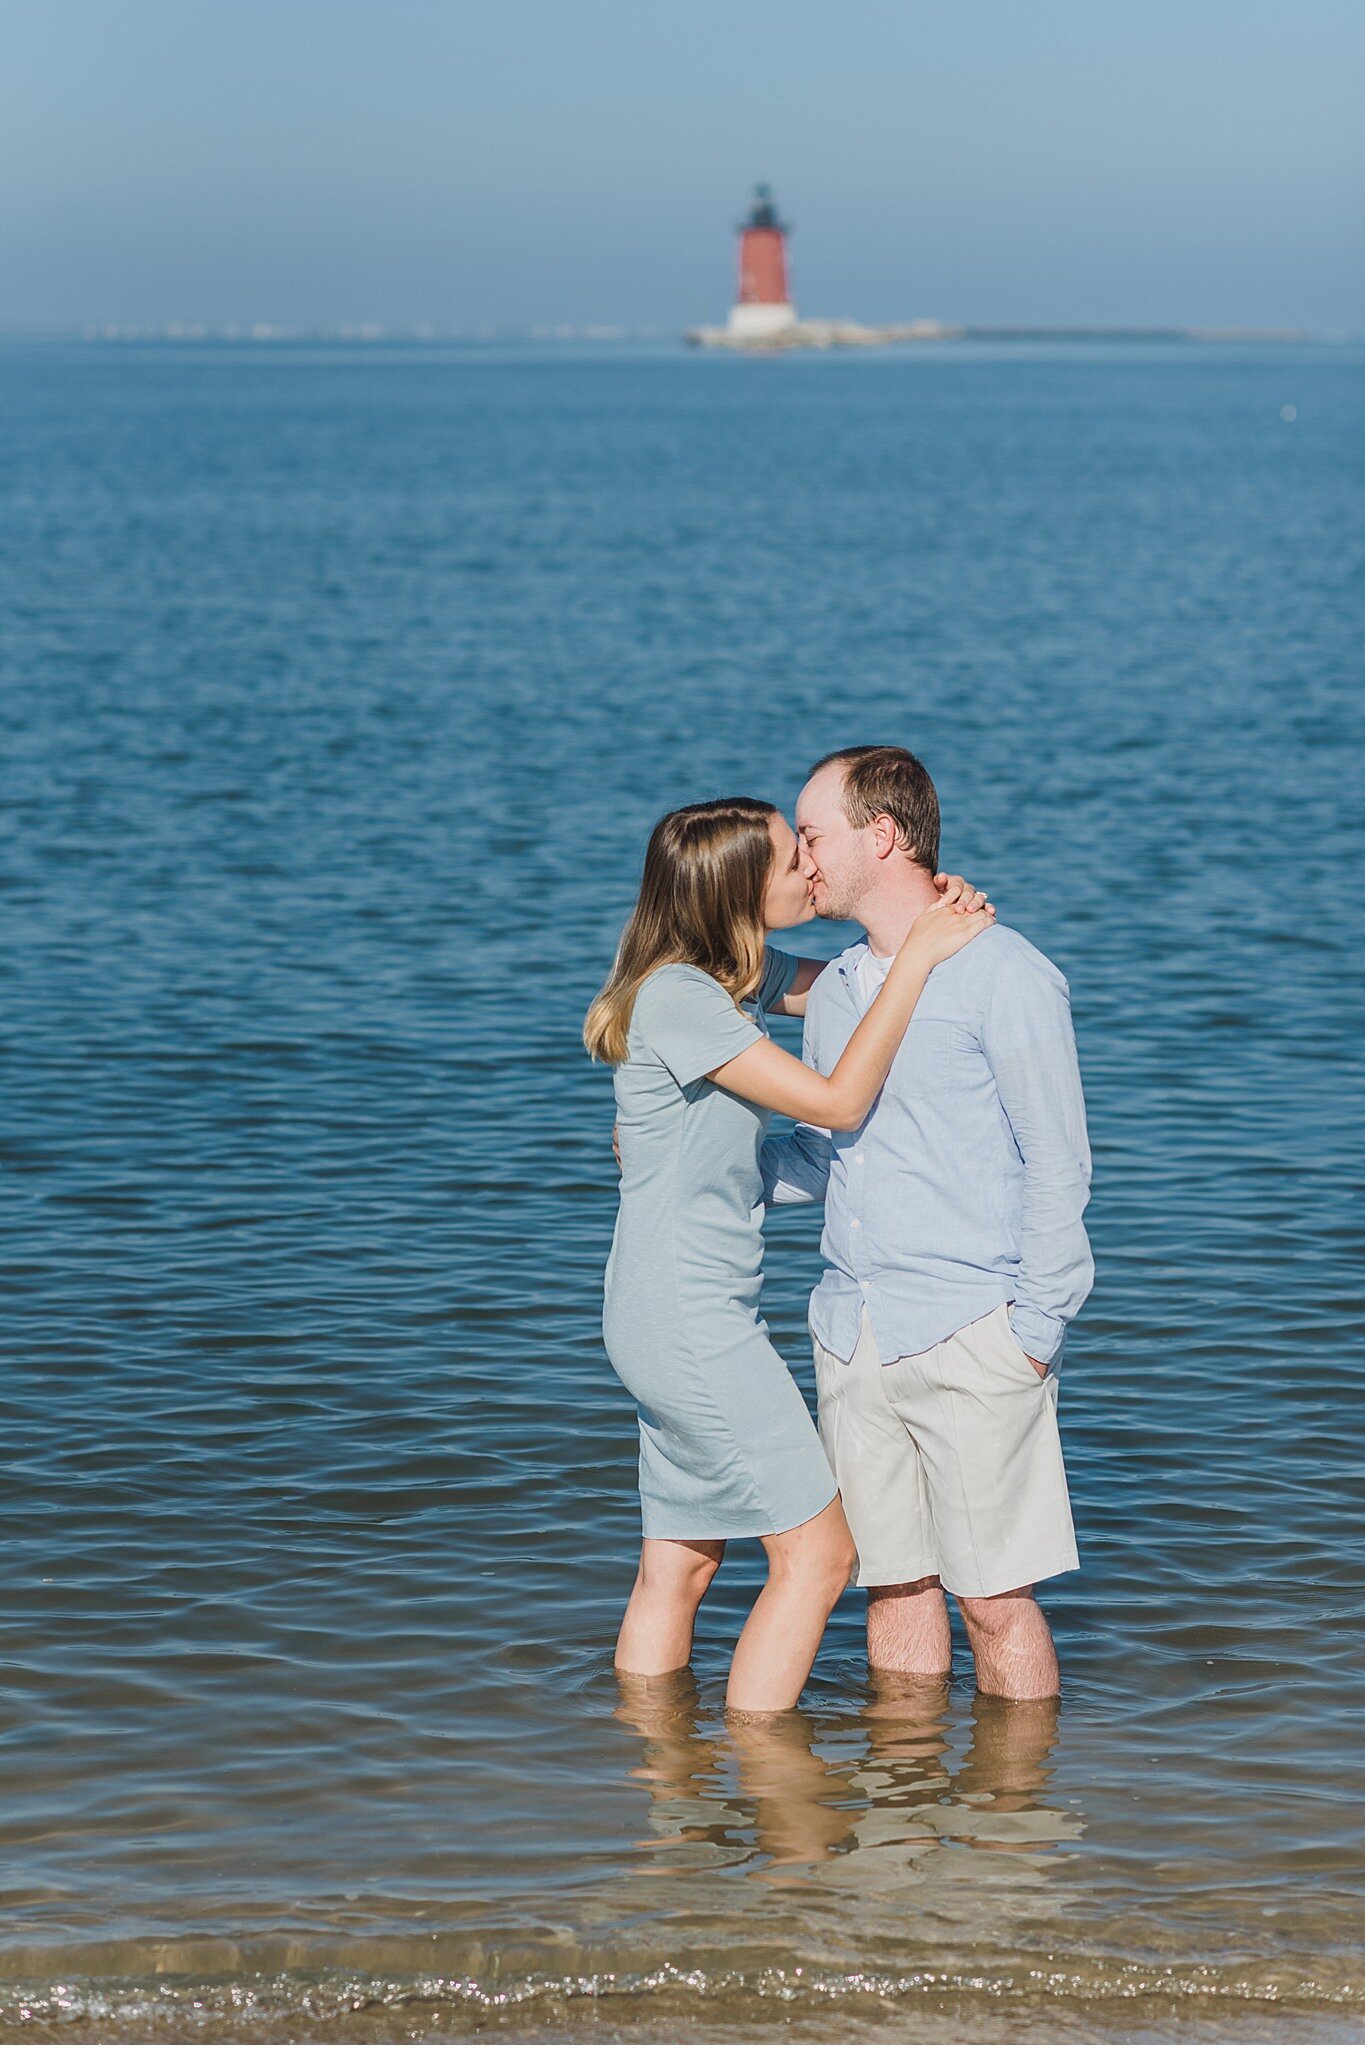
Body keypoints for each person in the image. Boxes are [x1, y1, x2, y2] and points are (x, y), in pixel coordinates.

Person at [585, 796, 993, 1716]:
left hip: (658, 1311)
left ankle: (663, 1779)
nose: (811, 868)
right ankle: (767, 1771)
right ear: (737, 891)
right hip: (688, 1325)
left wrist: (914, 923)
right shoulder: (683, 1001)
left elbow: (842, 983)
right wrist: (926, 952)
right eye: (788, 859)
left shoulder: (720, 974)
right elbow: (839, 1102)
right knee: (818, 1554)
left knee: (681, 1561)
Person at [762, 747, 1093, 1702]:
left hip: (974, 1329)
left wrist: (1030, 1333)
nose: (803, 860)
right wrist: (701, 1175)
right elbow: (831, 1155)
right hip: (851, 1331)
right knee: (892, 1588)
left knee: (994, 1602)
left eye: (813, 836)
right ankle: (895, 1832)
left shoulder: (1007, 973)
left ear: (882, 835)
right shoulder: (830, 992)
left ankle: (1011, 1835)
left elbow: (1058, 1167)